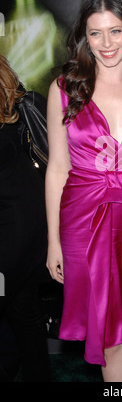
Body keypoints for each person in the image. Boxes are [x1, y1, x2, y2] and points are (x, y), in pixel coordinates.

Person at [45, 0, 122, 382]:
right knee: (109, 337)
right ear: (83, 36)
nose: (107, 43)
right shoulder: (65, 89)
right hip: (84, 222)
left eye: (115, 31)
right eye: (95, 34)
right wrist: (53, 241)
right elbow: (57, 168)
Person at [0, 55, 50, 381]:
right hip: (32, 228)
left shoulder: (26, 106)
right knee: (24, 312)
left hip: (11, 236)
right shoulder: (26, 102)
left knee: (21, 312)